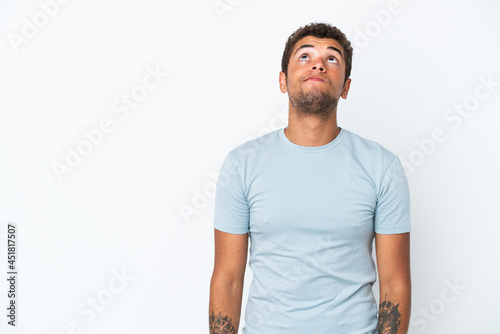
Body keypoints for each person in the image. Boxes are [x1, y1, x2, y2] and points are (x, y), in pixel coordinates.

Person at [209, 22, 411, 334]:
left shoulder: (383, 167)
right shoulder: (241, 165)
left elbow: (395, 282)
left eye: (332, 59)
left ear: (345, 87)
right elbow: (227, 277)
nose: (318, 63)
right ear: (282, 81)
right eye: (305, 56)